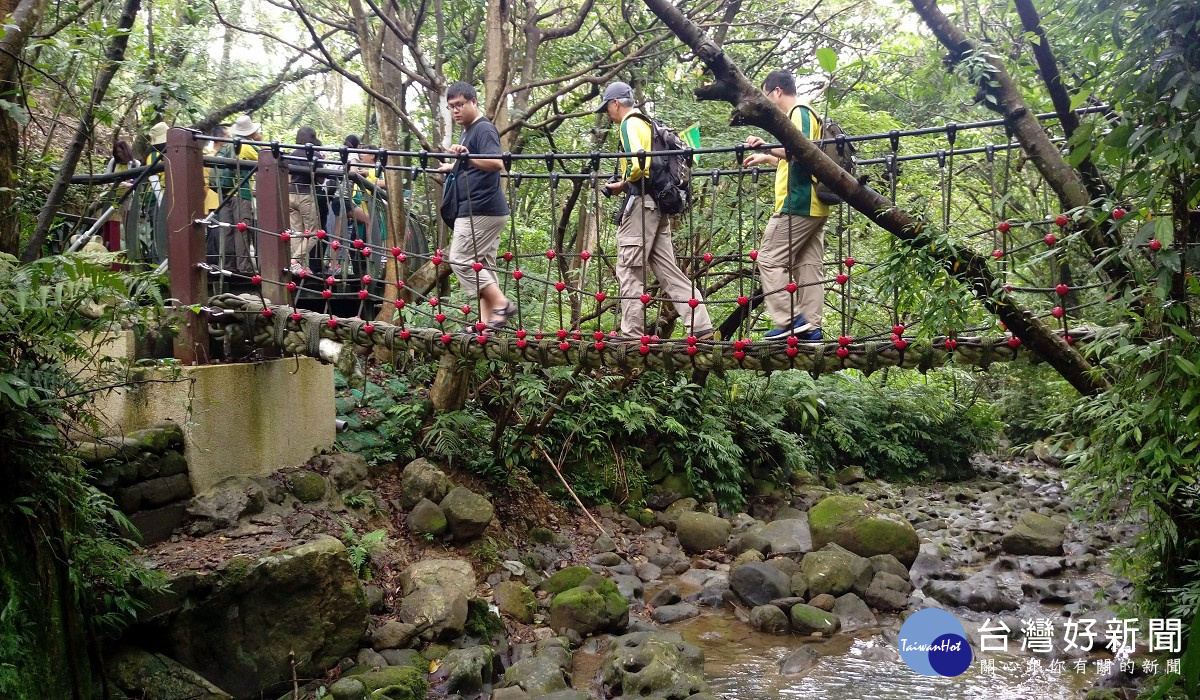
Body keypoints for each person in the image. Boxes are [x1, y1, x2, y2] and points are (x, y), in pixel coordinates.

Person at [597, 81, 713, 341]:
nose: (608, 113)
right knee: (666, 268)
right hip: (659, 204)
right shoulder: (647, 123)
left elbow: (641, 163)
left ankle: (632, 332)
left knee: (629, 267)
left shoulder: (629, 123)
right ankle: (701, 325)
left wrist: (626, 183)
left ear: (616, 103)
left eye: (608, 107)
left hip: (641, 206)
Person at [741, 70, 829, 340]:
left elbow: (798, 150)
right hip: (814, 206)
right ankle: (812, 328)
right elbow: (799, 157)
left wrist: (766, 146)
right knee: (808, 267)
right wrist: (767, 157)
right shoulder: (808, 113)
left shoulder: (799, 112)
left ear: (776, 91)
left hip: (799, 202)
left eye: (767, 96)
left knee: (768, 259)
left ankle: (790, 320)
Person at [437, 81, 516, 333]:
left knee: (460, 260)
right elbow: (473, 162)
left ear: (474, 102)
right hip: (485, 209)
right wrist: (456, 166)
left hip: (480, 210)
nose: (455, 111)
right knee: (482, 266)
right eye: (451, 107)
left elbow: (496, 163)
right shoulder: (468, 131)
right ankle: (487, 324)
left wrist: (465, 158)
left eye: (460, 104)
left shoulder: (483, 129)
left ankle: (502, 304)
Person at [210, 114, 262, 273]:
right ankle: (244, 268)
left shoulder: (226, 147)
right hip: (241, 194)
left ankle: (228, 266)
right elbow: (269, 158)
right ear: (250, 132)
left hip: (224, 195)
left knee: (227, 230)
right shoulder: (246, 145)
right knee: (242, 229)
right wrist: (259, 141)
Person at [287, 125, 325, 274]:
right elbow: (321, 180)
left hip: (290, 193)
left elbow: (288, 176)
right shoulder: (314, 154)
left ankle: (297, 266)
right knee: (314, 233)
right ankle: (295, 261)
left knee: (296, 232)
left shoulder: (291, 154)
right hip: (305, 194)